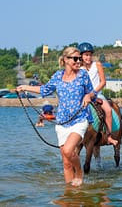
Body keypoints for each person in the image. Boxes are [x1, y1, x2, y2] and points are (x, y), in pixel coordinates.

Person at [16, 47, 94, 187]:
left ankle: (79, 173)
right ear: (65, 59)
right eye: (75, 58)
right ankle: (69, 193)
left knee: (68, 150)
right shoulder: (58, 76)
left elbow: (92, 92)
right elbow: (44, 90)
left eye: (79, 59)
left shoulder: (83, 75)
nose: (78, 61)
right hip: (62, 121)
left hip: (79, 119)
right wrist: (25, 88)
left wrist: (88, 96)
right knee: (65, 161)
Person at [78, 42, 118, 146]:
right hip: (83, 96)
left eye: (90, 55)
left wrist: (93, 93)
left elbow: (103, 82)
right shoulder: (79, 68)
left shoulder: (97, 65)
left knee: (108, 110)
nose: (88, 57)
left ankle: (109, 136)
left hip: (97, 94)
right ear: (81, 56)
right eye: (86, 55)